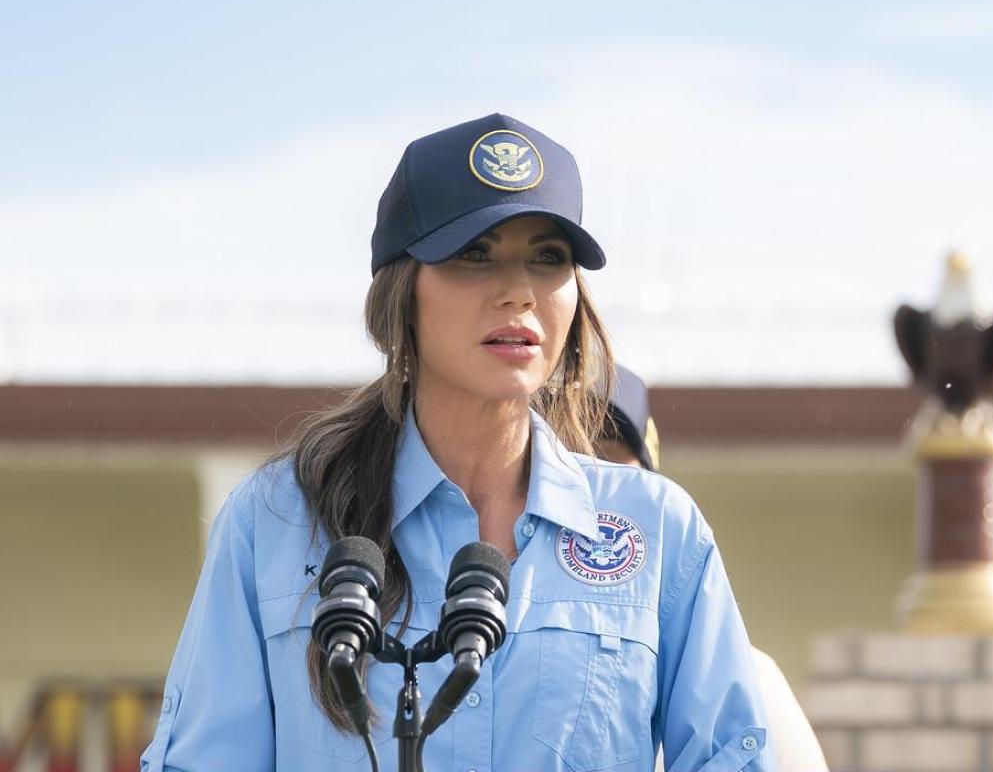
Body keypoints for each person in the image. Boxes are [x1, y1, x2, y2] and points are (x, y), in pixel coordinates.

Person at [142, 113, 773, 772]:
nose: (518, 291)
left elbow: (732, 759)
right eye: (475, 253)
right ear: (400, 292)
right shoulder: (273, 521)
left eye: (548, 257)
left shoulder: (657, 529)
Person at [595, 365, 830, 772]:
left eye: (608, 464)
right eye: (559, 460)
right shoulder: (467, 657)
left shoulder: (751, 682)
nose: (586, 485)